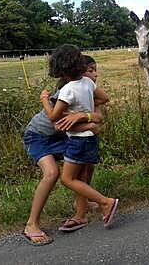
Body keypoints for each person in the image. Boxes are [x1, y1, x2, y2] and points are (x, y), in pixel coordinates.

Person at [22, 53, 107, 246]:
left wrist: (87, 117)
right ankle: (31, 224)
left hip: (62, 136)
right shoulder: (65, 93)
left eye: (95, 70)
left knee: (86, 162)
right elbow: (59, 123)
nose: (94, 74)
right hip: (39, 136)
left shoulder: (85, 87)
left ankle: (81, 203)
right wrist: (89, 124)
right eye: (90, 70)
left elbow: (100, 109)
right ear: (78, 72)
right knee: (52, 173)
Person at [40, 44, 118, 235]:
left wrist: (44, 99)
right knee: (82, 176)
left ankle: (105, 202)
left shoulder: (67, 90)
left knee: (67, 179)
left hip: (77, 140)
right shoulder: (88, 83)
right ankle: (81, 213)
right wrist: (88, 114)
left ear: (60, 69)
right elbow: (102, 98)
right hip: (90, 138)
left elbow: (53, 117)